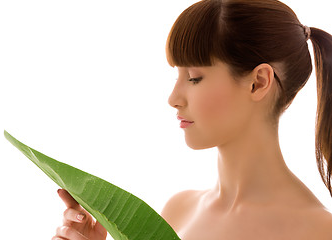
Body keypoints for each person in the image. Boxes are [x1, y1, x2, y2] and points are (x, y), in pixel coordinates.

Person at [52, 0, 332, 239]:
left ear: (258, 83)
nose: (174, 97)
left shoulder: (319, 230)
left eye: (194, 78)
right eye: (177, 75)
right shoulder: (179, 210)